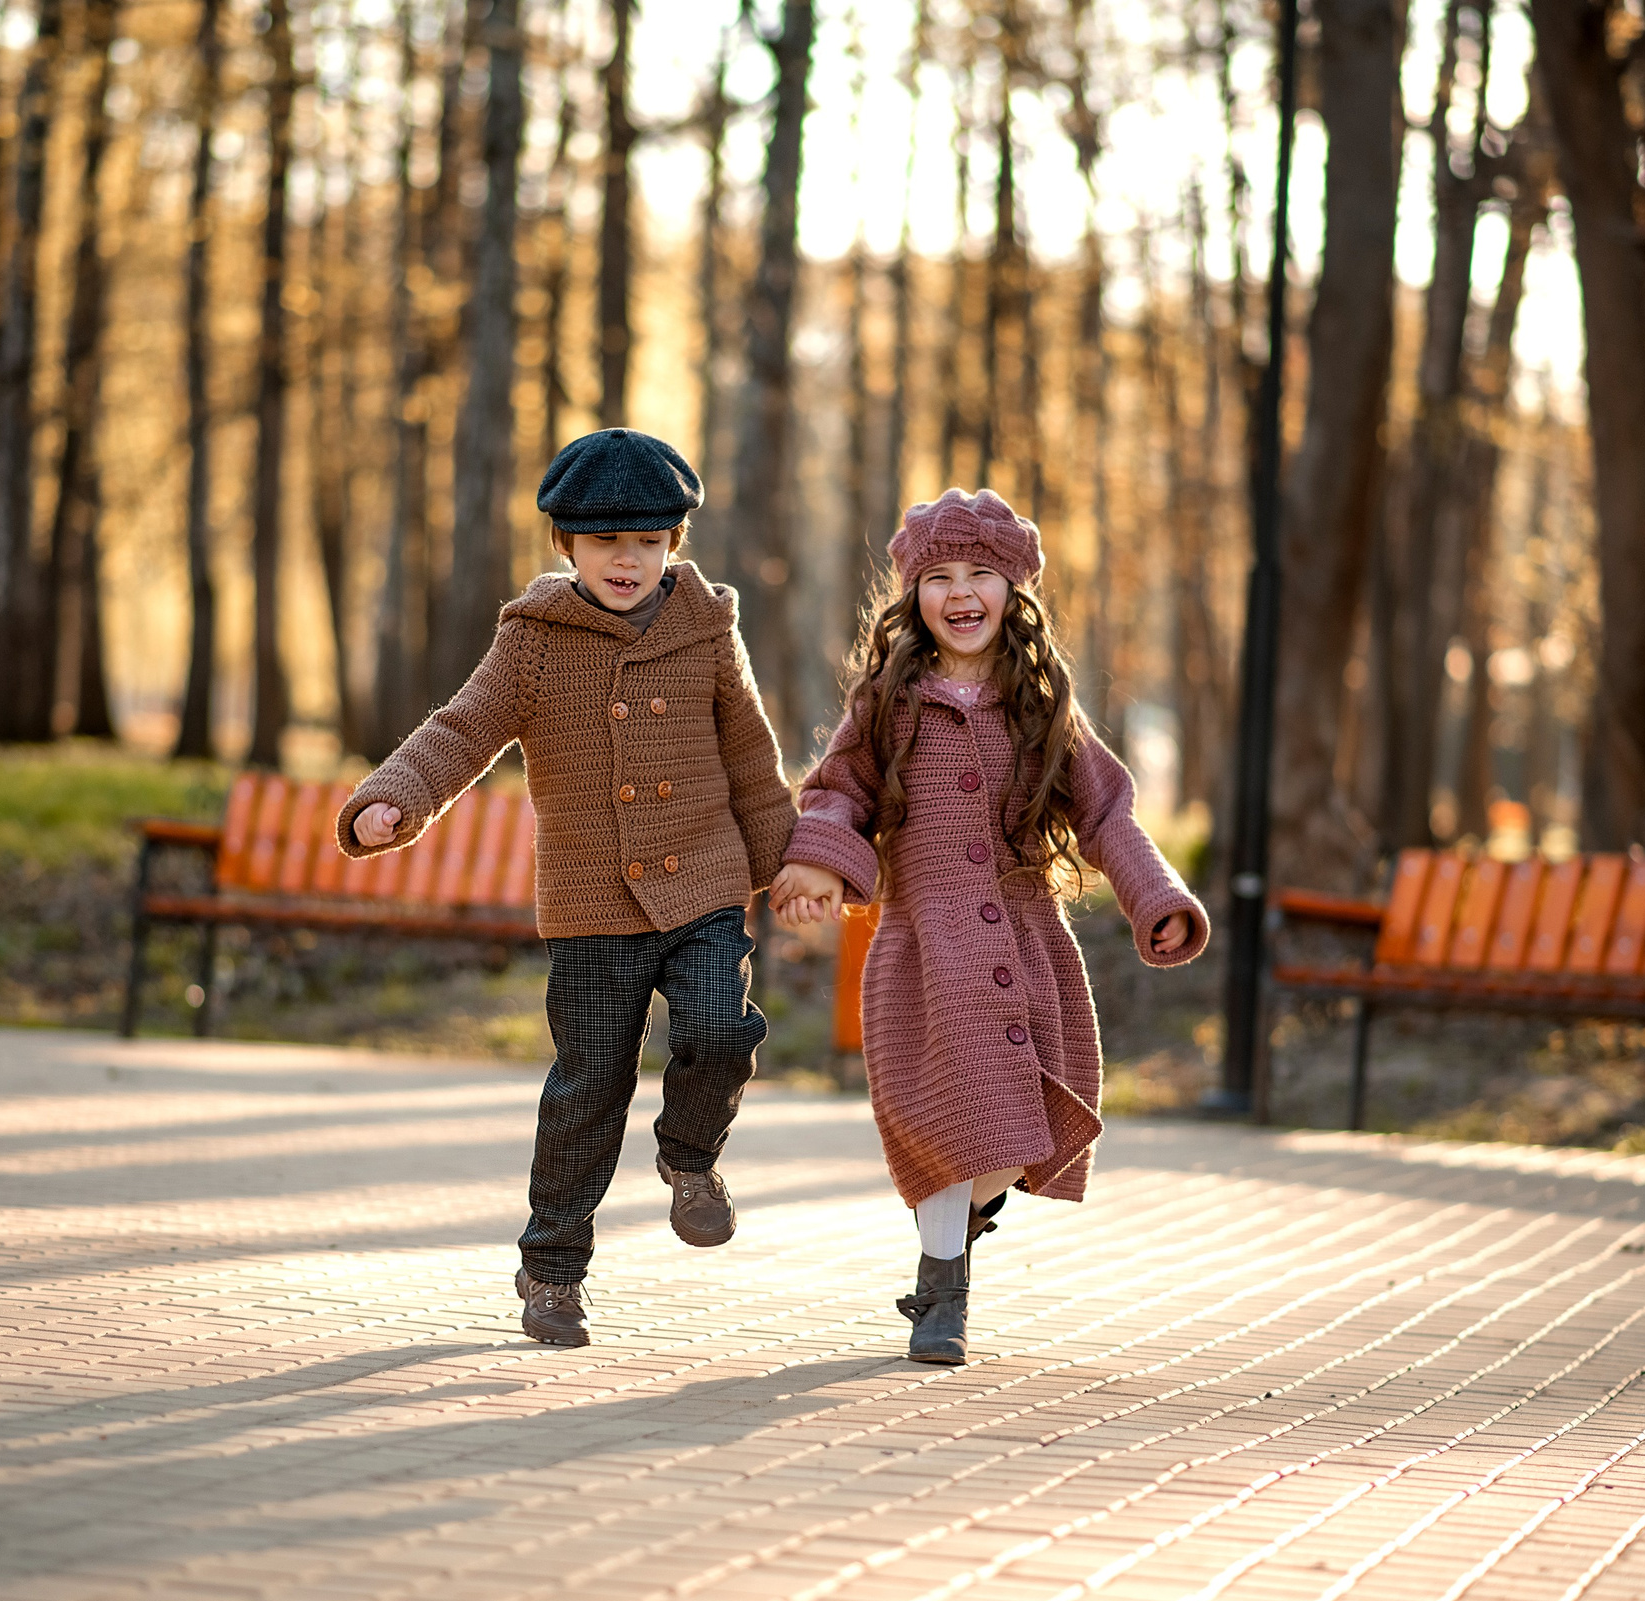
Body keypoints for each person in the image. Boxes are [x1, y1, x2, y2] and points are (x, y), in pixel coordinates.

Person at [338, 428, 797, 1348]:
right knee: (588, 1088)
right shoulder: (534, 643)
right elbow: (462, 730)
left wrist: (790, 865)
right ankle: (552, 1270)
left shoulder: (708, 630)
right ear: (567, 547)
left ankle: (690, 1156)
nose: (626, 561)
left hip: (704, 883)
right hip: (594, 906)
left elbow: (751, 757)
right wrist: (392, 794)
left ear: (675, 543)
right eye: (603, 543)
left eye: (646, 542)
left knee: (721, 1026)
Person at [769, 487, 1210, 1365]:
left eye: (980, 573)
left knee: (1025, 1131)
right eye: (938, 575)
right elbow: (837, 790)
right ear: (912, 594)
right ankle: (944, 1300)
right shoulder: (888, 703)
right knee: (951, 1118)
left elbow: (1108, 812)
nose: (959, 591)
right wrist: (817, 863)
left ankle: (958, 1231)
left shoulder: (1042, 707)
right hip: (926, 951)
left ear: (1014, 590)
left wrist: (1155, 896)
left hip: (1024, 944)